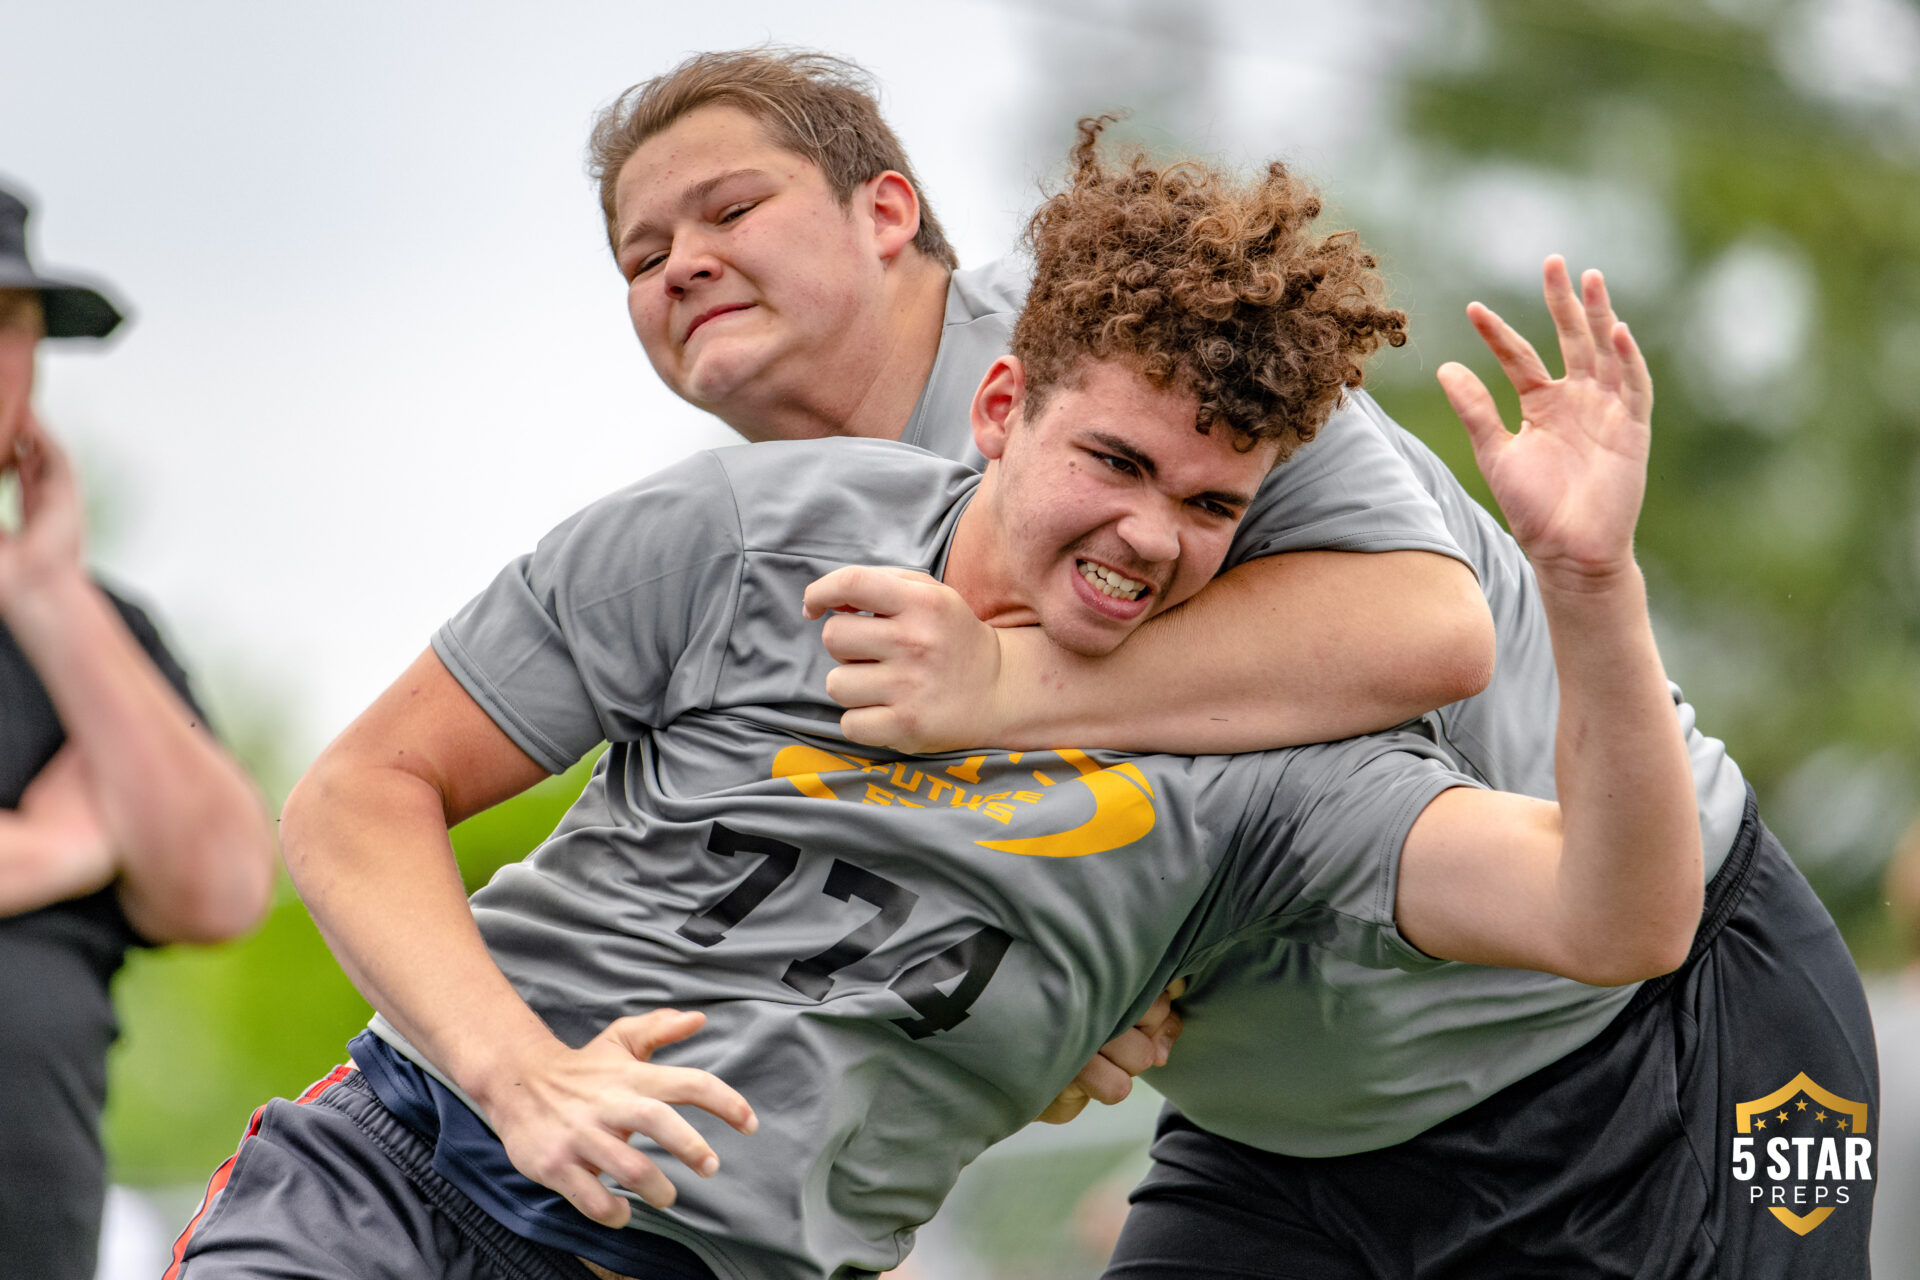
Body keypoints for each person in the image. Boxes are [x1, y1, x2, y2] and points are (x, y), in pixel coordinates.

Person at [168, 125, 1700, 1280]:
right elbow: (354, 795)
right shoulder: (748, 528)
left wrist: (1590, 586)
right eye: (1112, 462)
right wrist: (524, 1076)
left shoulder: (1264, 780)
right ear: (998, 411)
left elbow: (1612, 915)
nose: (1151, 533)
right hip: (402, 1174)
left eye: (1212, 502)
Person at [0, 184, 276, 1279]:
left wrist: (52, 600)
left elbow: (219, 882)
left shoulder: (93, 635)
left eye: (8, 326)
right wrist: (70, 840)